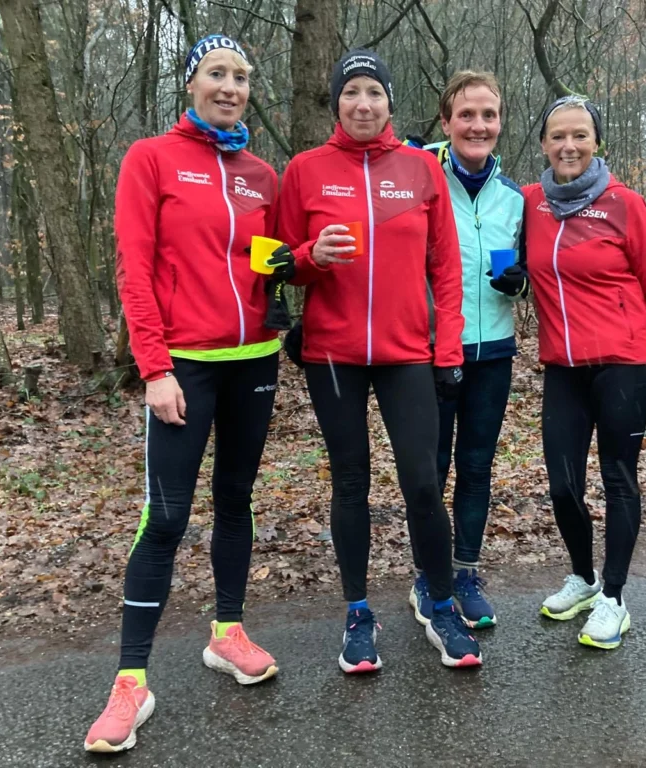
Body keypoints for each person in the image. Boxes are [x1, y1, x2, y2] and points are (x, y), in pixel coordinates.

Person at [84, 35, 293, 753]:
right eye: (217, 74)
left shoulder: (263, 174)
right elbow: (134, 268)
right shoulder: (152, 158)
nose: (231, 86)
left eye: (241, 76)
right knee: (166, 517)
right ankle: (130, 682)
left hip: (255, 362)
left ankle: (227, 633)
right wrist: (153, 366)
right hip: (184, 367)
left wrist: (287, 272)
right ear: (192, 83)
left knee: (235, 499)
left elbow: (266, 261)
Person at [276, 49, 482, 672]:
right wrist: (312, 256)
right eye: (351, 93)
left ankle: (440, 605)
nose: (362, 104)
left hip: (405, 354)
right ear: (336, 102)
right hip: (333, 353)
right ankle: (358, 613)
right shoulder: (306, 170)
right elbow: (273, 257)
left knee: (423, 482)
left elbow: (447, 269)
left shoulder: (420, 170)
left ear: (390, 102)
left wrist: (447, 349)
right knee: (350, 484)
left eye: (374, 93)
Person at [524, 96, 646, 650]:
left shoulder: (624, 204)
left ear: (597, 142)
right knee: (563, 484)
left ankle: (614, 598)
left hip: (623, 364)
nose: (569, 146)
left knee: (618, 478)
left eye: (580, 136)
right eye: (557, 136)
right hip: (562, 368)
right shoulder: (531, 204)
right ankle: (584, 579)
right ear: (543, 144)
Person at [404, 71, 527, 630]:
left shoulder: (514, 199)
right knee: (432, 470)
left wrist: (517, 283)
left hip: (495, 350)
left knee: (477, 469)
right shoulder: (421, 181)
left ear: (500, 123)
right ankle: (428, 578)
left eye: (489, 115)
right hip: (432, 350)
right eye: (467, 115)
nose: (479, 125)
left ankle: (466, 572)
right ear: (447, 121)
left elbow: (526, 272)